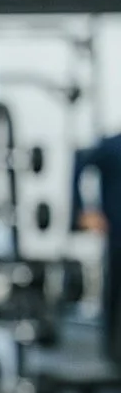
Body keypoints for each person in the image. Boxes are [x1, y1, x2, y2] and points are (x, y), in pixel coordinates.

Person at [73, 131, 121, 364]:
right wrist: (83, 210)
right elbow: (79, 161)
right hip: (117, 233)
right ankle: (113, 354)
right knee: (114, 291)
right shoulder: (113, 146)